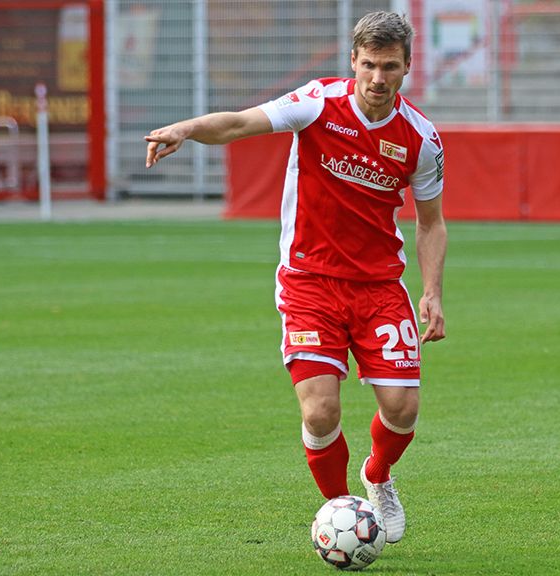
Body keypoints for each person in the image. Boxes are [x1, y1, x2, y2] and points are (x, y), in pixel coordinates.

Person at [144, 11, 446, 544]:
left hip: (379, 288)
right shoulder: (317, 104)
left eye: (390, 67)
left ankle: (377, 477)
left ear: (407, 67)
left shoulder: (421, 138)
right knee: (321, 408)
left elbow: (431, 222)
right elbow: (239, 124)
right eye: (369, 65)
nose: (378, 78)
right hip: (309, 282)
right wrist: (186, 130)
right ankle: (343, 513)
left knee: (402, 408)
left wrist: (432, 292)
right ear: (353, 61)